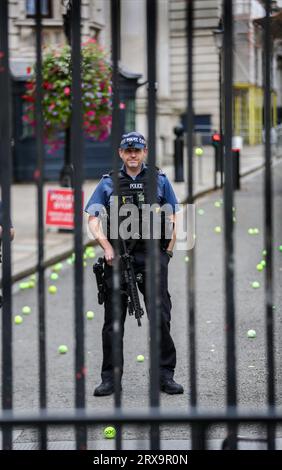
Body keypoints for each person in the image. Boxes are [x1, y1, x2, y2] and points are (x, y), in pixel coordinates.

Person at [85, 131, 184, 396]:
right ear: (120, 153)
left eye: (137, 150)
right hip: (118, 257)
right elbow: (92, 220)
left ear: (144, 152)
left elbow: (174, 218)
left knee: (160, 317)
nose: (132, 155)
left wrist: (167, 254)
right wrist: (106, 248)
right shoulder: (108, 183)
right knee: (113, 321)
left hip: (152, 256)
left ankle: (165, 375)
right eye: (127, 150)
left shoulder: (159, 180)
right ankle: (110, 378)